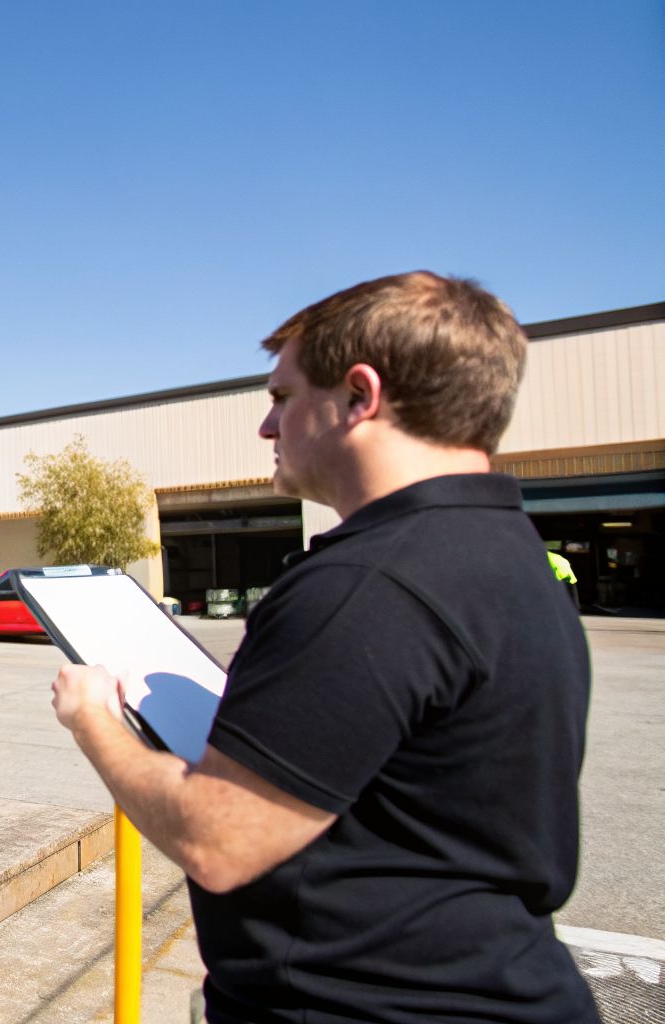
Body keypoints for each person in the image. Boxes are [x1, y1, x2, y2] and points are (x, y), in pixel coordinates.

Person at [50, 272, 597, 1022]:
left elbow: (217, 841)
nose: (267, 427)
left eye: (282, 397)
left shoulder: (368, 584)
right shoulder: (511, 555)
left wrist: (93, 719)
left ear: (360, 395)